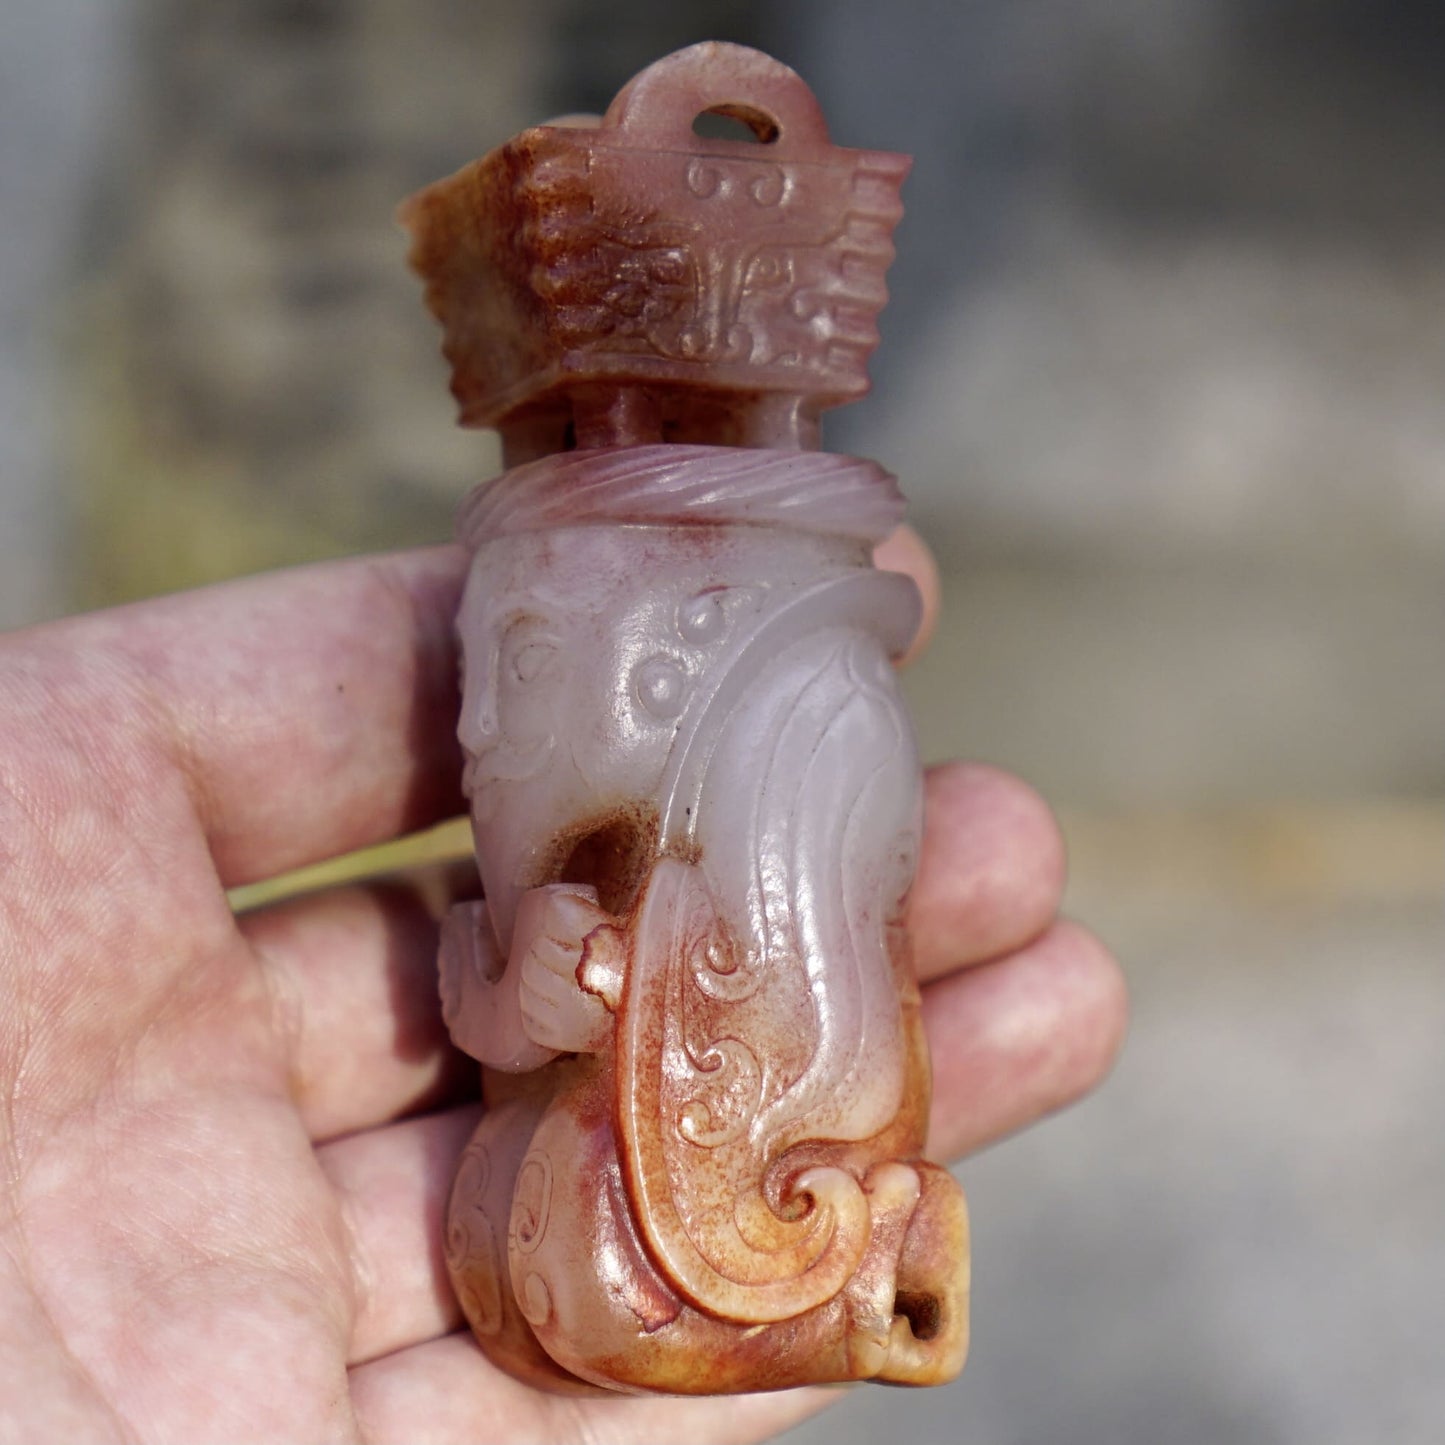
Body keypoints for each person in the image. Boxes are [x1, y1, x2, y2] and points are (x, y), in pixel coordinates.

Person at [0, 537, 1126, 1443]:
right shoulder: (560, 879)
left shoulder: (800, 785)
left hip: (739, 1184)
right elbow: (488, 997)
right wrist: (522, 997)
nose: (486, 732)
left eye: (528, 681)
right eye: (511, 682)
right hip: (582, 1225)